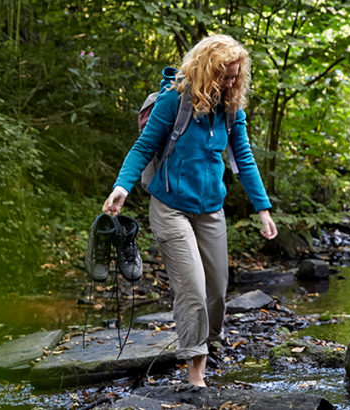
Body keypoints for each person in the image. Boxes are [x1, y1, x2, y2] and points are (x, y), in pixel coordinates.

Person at [101, 34, 277, 387]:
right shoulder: (173, 102)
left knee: (216, 292)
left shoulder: (231, 110)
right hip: (171, 208)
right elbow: (143, 147)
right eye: (224, 76)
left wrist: (263, 209)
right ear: (206, 71)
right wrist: (122, 187)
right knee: (192, 290)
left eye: (235, 77)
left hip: (211, 209)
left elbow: (244, 158)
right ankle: (195, 370)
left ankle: (207, 343)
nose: (230, 82)